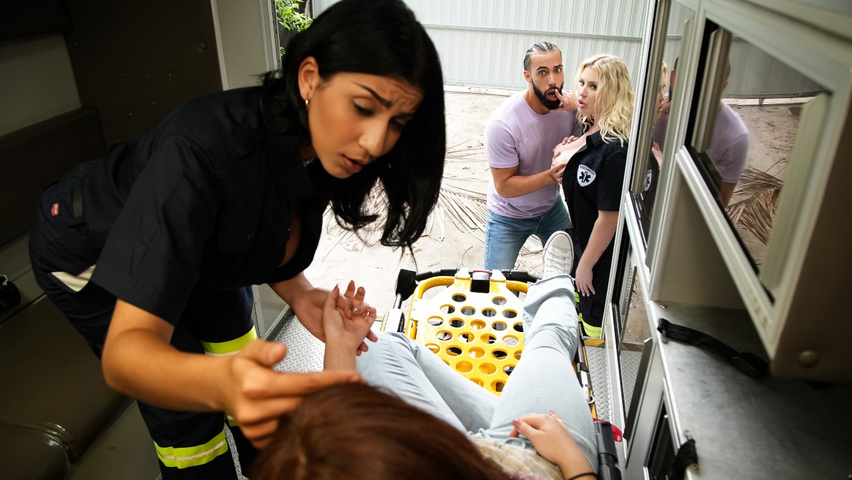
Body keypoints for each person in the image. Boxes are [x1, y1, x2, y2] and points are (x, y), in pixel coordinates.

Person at [27, 0, 444, 478]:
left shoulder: (323, 147)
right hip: (89, 249)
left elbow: (253, 225)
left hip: (193, 246)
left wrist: (301, 293)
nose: (375, 142)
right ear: (309, 79)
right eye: (363, 108)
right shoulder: (198, 156)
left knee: (239, 352)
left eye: (397, 123)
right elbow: (127, 355)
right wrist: (215, 383)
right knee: (186, 411)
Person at [250, 230, 598, 480]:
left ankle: (499, 413)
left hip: (469, 455)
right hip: (530, 459)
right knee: (547, 343)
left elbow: (334, 432)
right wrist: (574, 464)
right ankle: (556, 284)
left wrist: (341, 343)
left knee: (379, 346)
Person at [551, 54, 634, 339]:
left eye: (594, 86)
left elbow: (609, 219)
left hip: (599, 259)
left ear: (613, 92)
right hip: (582, 243)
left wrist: (586, 265)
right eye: (582, 83)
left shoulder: (616, 150)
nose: (582, 92)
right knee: (576, 311)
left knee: (593, 326)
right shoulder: (592, 129)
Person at [483, 42, 583, 271]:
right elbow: (504, 186)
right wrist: (551, 175)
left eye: (558, 70)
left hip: (551, 209)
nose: (553, 80)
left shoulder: (571, 109)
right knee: (494, 285)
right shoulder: (502, 124)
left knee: (571, 275)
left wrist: (573, 146)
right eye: (543, 72)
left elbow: (605, 123)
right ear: (527, 77)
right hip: (508, 215)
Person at [652, 58, 749, 206]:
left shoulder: (736, 137)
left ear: (723, 87)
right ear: (673, 78)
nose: (694, 92)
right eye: (687, 82)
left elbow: (720, 202)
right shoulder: (657, 107)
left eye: (707, 86)